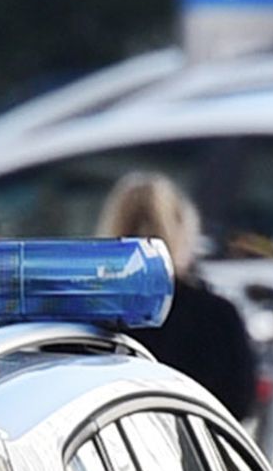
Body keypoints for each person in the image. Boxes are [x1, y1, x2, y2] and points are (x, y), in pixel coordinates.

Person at [98, 170, 255, 422]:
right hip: (185, 456)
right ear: (184, 231)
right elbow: (238, 405)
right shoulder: (215, 316)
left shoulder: (88, 315)